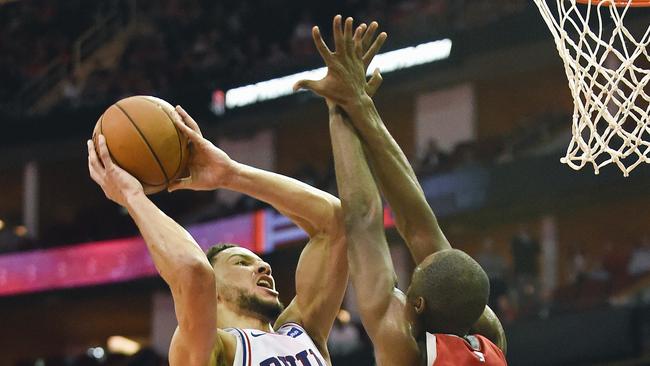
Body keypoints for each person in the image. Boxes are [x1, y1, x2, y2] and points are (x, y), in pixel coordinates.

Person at [296, 15, 507, 365]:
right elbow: (418, 225)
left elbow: (367, 218)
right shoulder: (490, 339)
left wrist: (341, 107)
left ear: (418, 304)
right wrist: (357, 104)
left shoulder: (404, 346)